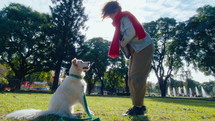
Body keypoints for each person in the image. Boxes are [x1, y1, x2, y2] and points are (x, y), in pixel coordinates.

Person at [101, 1, 154, 117]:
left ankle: (139, 108)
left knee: (137, 77)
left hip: (143, 47)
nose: (109, 17)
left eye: (109, 14)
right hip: (136, 50)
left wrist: (121, 42)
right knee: (131, 78)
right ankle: (138, 106)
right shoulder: (119, 21)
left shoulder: (124, 17)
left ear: (115, 11)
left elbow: (131, 32)